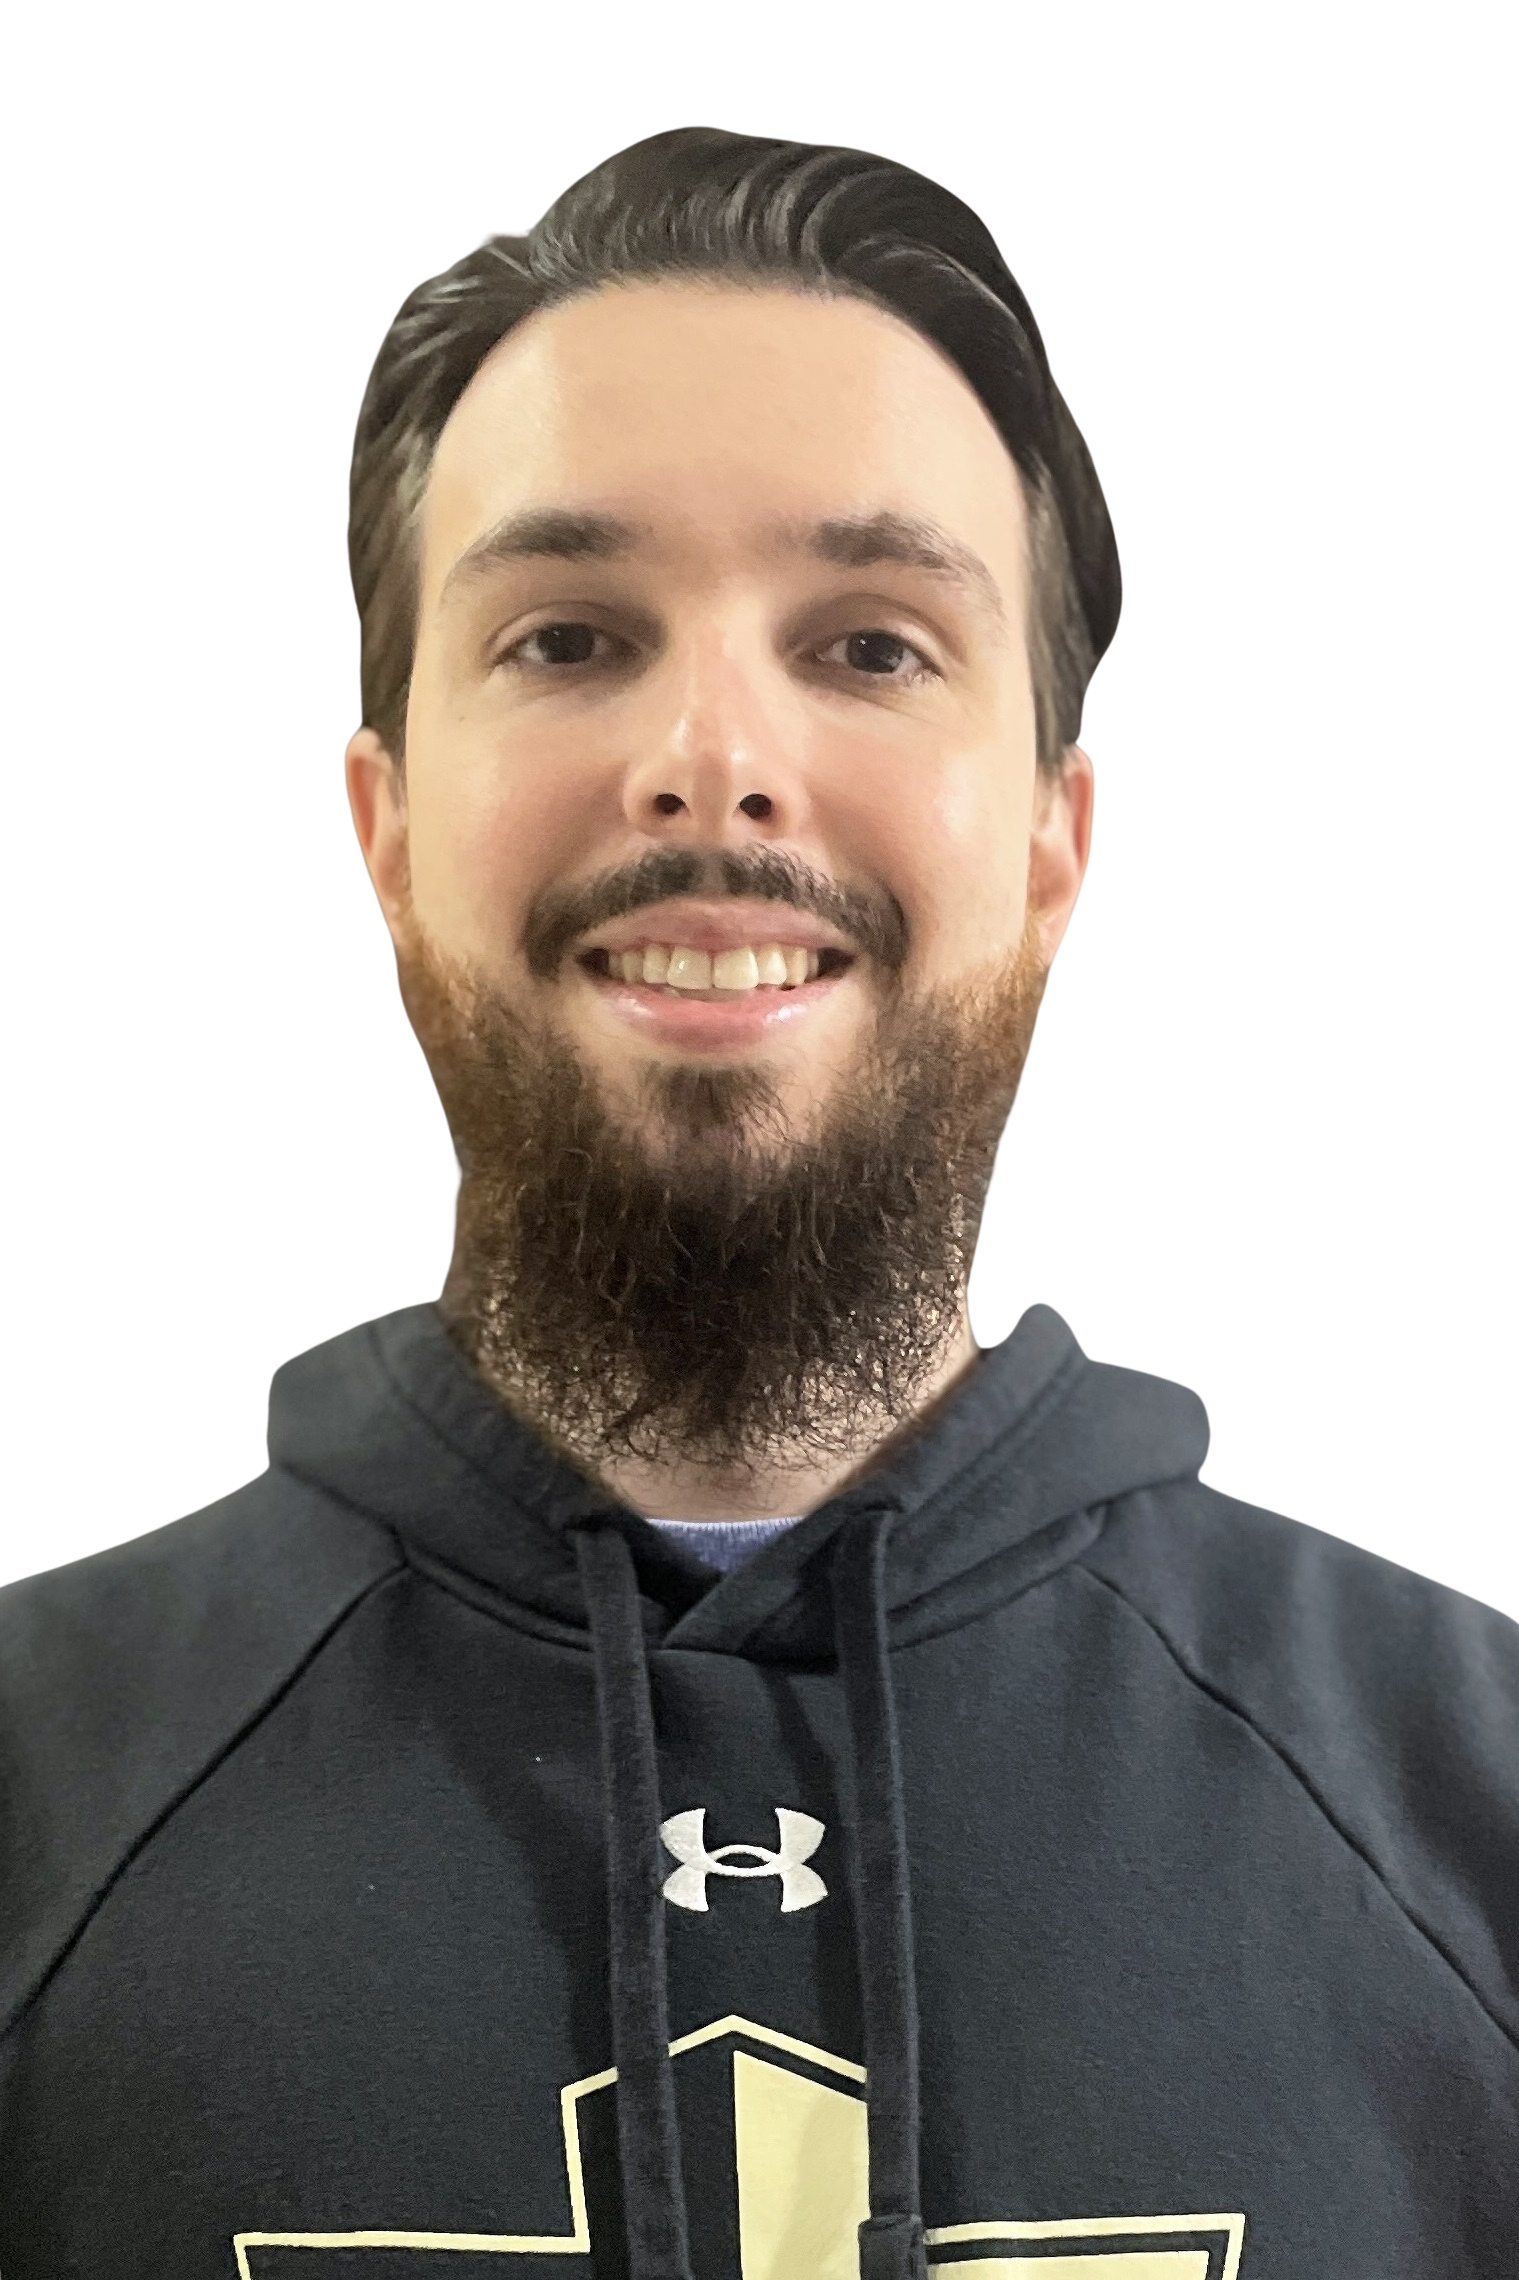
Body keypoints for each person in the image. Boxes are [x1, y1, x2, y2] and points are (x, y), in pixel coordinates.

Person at [1, 125, 1514, 2280]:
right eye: (568, 636)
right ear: (386, 833)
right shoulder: (29, 1783)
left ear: (1055, 847)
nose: (712, 755)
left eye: (873, 645)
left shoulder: (1478, 1785)